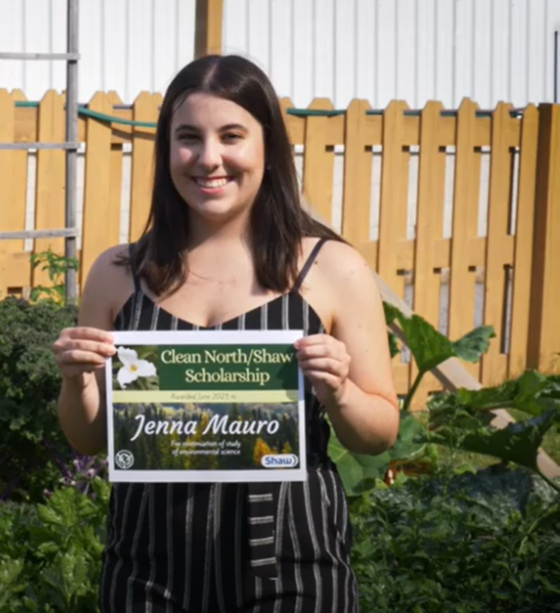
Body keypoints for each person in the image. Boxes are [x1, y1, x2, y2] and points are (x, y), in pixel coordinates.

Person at [51, 55, 398, 612]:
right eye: (188, 138)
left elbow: (378, 434)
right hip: (148, 572)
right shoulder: (118, 273)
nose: (209, 158)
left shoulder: (332, 268)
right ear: (167, 150)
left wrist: (340, 390)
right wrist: (78, 382)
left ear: (268, 146)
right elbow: (88, 439)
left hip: (291, 568)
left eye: (231, 136)